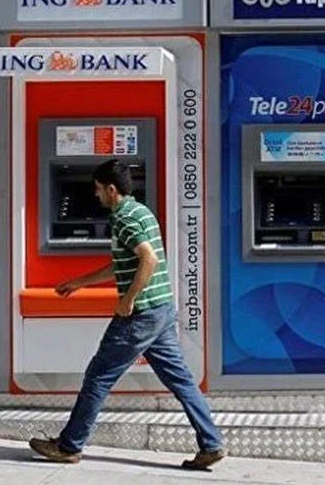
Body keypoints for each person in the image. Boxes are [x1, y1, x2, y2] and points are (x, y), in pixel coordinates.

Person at [28, 159, 226, 468]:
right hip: (161, 309)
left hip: (141, 314)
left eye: (97, 189)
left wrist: (128, 300)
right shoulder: (141, 211)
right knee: (181, 380)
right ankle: (211, 444)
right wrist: (79, 282)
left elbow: (148, 259)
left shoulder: (123, 218)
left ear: (111, 189)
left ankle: (69, 446)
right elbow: (123, 264)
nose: (95, 195)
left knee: (98, 377)